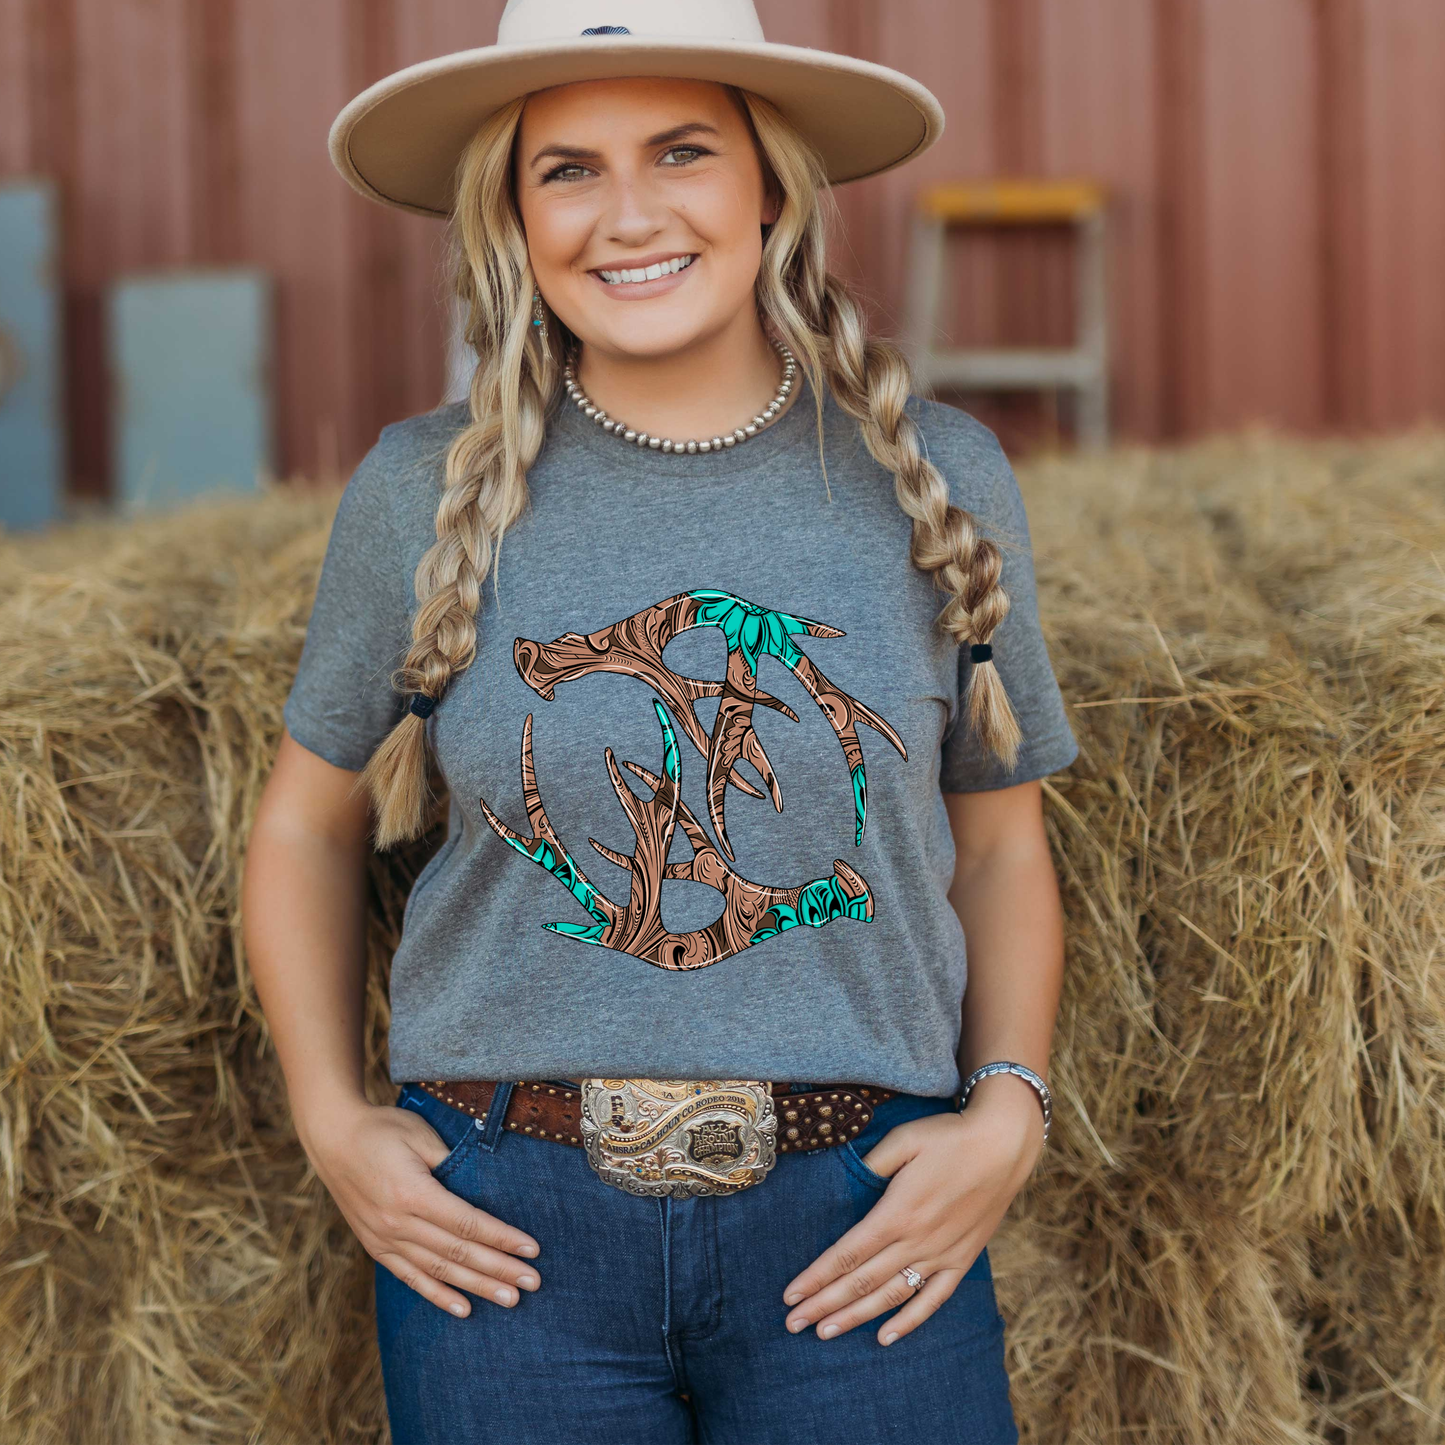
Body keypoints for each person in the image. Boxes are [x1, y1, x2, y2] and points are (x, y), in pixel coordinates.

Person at [241, 3, 1078, 1442]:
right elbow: (307, 824)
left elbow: (999, 846)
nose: (626, 214)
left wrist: (1010, 1104)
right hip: (508, 1232)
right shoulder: (420, 491)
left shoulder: (936, 477)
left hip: (859, 1221)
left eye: (682, 150)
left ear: (770, 183)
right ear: (512, 213)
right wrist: (334, 1119)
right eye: (566, 168)